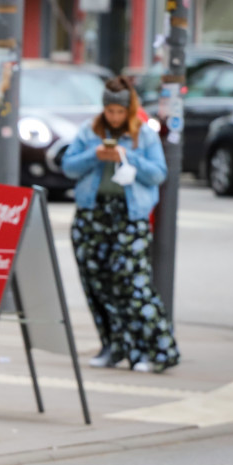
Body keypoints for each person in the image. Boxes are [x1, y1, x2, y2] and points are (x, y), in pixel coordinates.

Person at [62, 76, 180, 373]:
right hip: (93, 213)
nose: (114, 116)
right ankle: (114, 346)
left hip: (129, 216)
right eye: (110, 111)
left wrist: (129, 157)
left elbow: (158, 174)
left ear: (128, 110)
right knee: (97, 285)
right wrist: (96, 155)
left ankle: (155, 350)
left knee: (134, 285)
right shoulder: (89, 131)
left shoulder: (144, 135)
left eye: (119, 111)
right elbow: (68, 166)